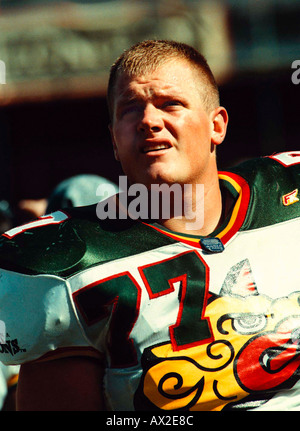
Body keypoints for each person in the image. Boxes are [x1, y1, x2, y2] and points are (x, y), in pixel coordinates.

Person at [0, 39, 300, 411]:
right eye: (129, 110)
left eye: (170, 104)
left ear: (217, 125)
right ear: (113, 139)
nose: (148, 120)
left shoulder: (290, 198)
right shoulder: (66, 260)